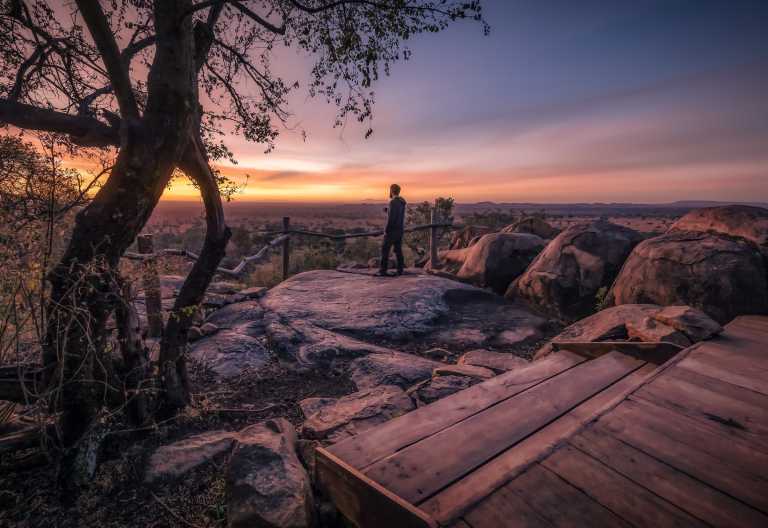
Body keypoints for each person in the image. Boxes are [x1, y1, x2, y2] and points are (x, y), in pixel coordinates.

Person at [379, 184, 406, 276]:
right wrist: (388, 210)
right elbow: (397, 214)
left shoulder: (393, 202)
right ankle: (400, 270)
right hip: (400, 230)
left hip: (392, 230)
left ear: (391, 191)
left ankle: (383, 271)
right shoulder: (402, 202)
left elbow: (391, 218)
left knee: (385, 249)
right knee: (398, 250)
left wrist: (386, 231)